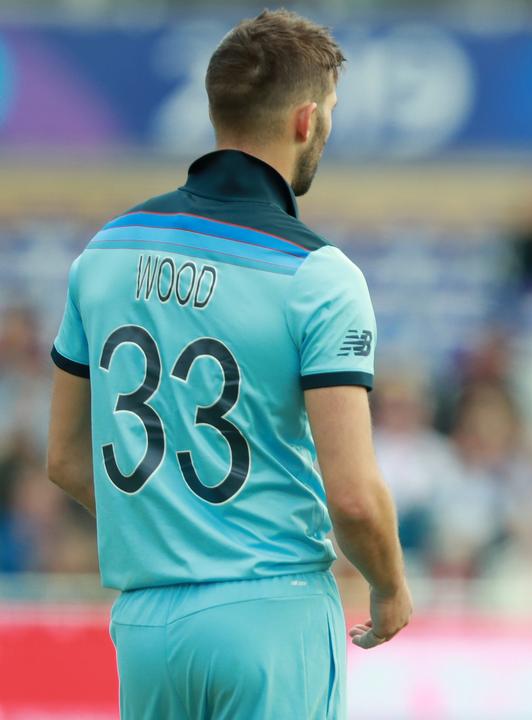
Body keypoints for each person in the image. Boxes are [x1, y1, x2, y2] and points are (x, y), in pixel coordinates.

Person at [44, 10, 410, 719]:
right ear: (307, 121)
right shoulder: (319, 275)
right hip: (271, 613)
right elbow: (356, 498)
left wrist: (173, 528)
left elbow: (63, 459)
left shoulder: (104, 253)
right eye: (330, 112)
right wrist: (390, 585)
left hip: (146, 624)